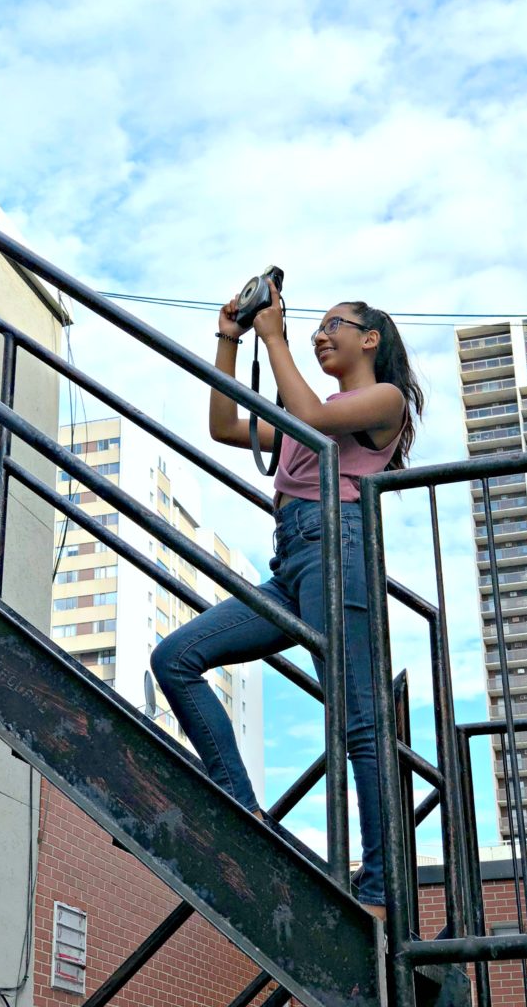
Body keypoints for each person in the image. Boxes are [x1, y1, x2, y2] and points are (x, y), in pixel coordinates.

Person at [151, 280, 424, 919]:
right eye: (314, 326)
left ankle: (382, 891)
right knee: (177, 658)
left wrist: (273, 336)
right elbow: (224, 427)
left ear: (370, 338)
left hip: (341, 547)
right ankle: (242, 813)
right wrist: (229, 338)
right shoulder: (312, 406)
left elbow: (313, 418)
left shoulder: (382, 400)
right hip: (292, 562)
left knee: (359, 719)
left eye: (334, 324)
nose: (319, 332)